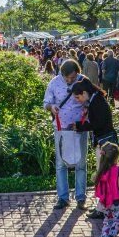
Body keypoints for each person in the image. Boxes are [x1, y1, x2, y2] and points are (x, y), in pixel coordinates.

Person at [43, 60, 87, 210]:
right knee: (61, 164)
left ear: (77, 72)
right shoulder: (54, 83)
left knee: (81, 163)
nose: (69, 80)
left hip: (79, 128)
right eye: (66, 77)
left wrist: (87, 109)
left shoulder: (83, 80)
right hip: (61, 128)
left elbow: (91, 100)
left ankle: (81, 198)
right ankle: (63, 198)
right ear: (61, 73)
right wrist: (52, 107)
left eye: (72, 77)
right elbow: (46, 102)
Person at [91, 142, 119, 237]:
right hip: (117, 201)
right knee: (118, 221)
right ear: (116, 157)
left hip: (106, 201)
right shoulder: (118, 170)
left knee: (107, 220)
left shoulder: (102, 170)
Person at [71, 77, 116, 145]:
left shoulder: (97, 102)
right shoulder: (95, 99)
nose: (77, 100)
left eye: (77, 97)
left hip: (106, 140)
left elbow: (98, 124)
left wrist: (78, 125)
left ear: (84, 93)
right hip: (104, 137)